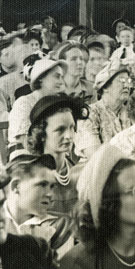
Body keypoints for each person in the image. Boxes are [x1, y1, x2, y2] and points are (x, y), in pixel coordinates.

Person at [25, 94, 87, 227]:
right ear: (41, 134)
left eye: (72, 128)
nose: (69, 136)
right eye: (60, 130)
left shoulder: (79, 170)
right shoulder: (31, 177)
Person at [75, 62, 133, 159]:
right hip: (95, 170)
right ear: (105, 87)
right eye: (122, 81)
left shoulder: (130, 114)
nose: (127, 85)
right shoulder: (89, 113)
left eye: (128, 81)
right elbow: (94, 155)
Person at [8, 57, 67, 145]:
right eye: (57, 76)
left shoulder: (57, 104)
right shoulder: (23, 103)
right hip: (24, 154)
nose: (62, 82)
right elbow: (23, 140)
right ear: (41, 78)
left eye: (62, 77)